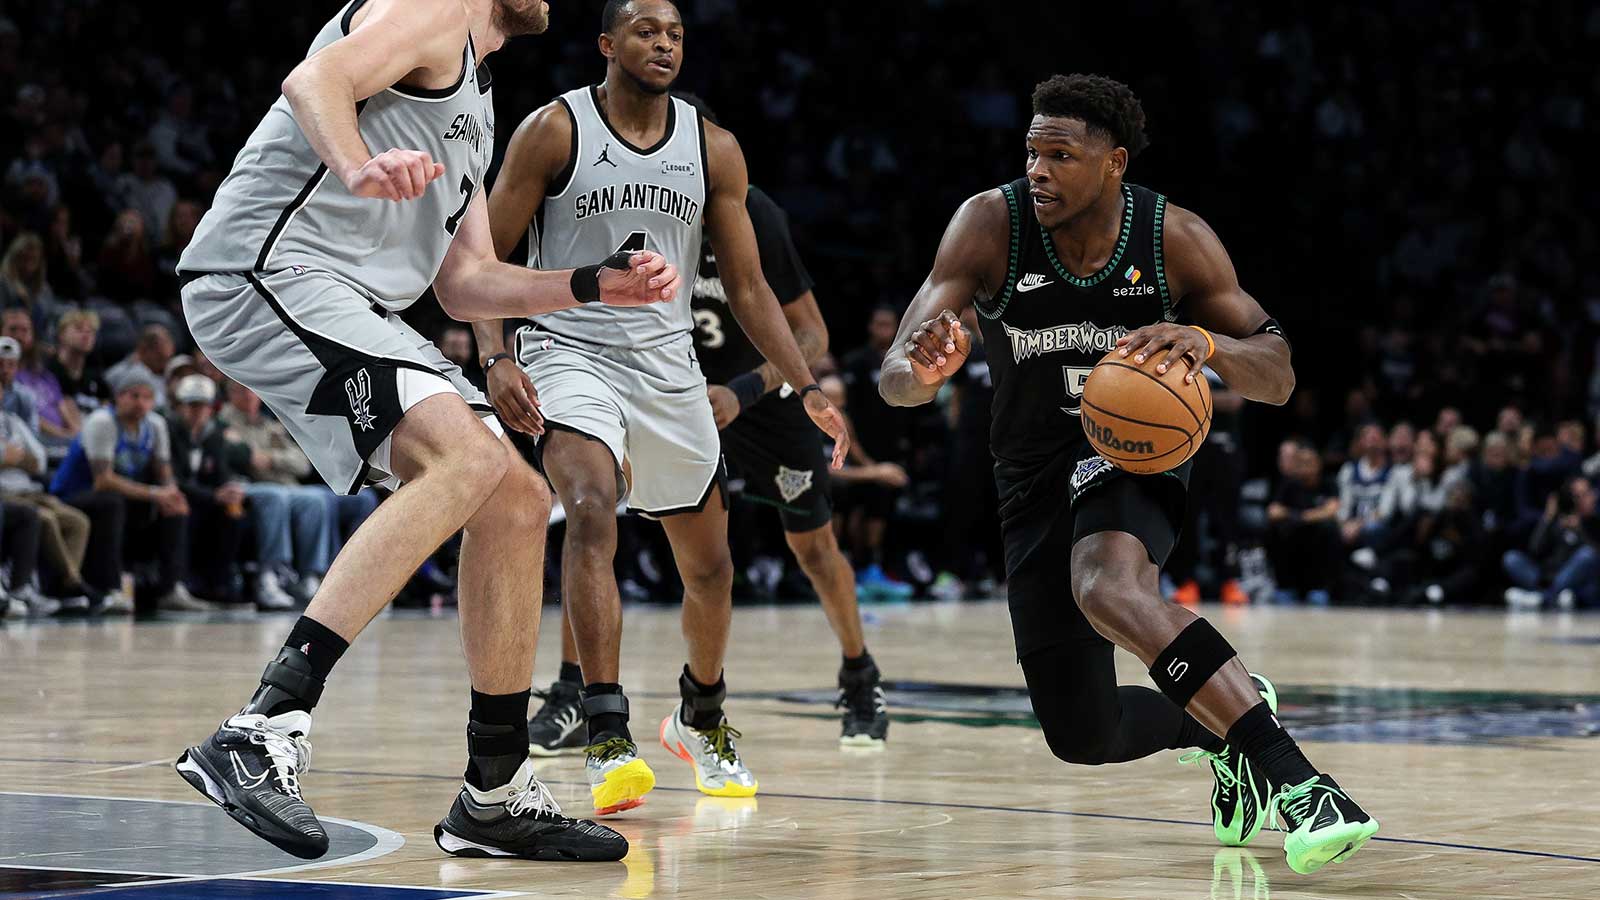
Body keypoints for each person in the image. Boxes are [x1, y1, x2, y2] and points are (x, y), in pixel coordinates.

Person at [171, 0, 677, 863]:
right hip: (267, 269)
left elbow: (469, 284)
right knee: (467, 457)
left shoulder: (477, 95)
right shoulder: (437, 6)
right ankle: (263, 724)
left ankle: (495, 789)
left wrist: (593, 284)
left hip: (345, 297)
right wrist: (358, 165)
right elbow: (315, 80)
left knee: (516, 496)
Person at [878, 74, 1378, 875]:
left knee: (1108, 586)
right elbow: (892, 377)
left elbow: (1278, 372)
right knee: (1083, 736)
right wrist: (924, 369)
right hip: (1030, 474)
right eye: (1032, 152)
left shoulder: (1172, 236)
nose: (1038, 169)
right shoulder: (988, 224)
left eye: (1061, 155)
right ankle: (1222, 724)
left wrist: (1210, 347)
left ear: (1113, 163)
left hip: (1135, 456)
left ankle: (1304, 787)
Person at [474, 0, 848, 817]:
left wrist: (807, 386)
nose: (665, 44)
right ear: (608, 44)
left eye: (676, 33)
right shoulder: (554, 130)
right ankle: (606, 730)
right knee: (589, 510)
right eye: (647, 30)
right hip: (565, 348)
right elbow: (486, 257)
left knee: (711, 568)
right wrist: (495, 354)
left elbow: (749, 289)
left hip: (666, 362)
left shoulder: (713, 148)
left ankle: (701, 714)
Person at [49, 367, 201, 612]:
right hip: (73, 495)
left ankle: (171, 589)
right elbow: (103, 481)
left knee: (175, 507)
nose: (140, 403)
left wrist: (172, 494)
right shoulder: (102, 422)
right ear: (118, 397)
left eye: (146, 397)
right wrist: (155, 494)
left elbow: (164, 474)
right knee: (112, 502)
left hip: (122, 496)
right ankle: (111, 588)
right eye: (133, 395)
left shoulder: (155, 425)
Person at [216, 378, 336, 608]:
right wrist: (266, 459)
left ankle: (310, 575)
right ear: (231, 394)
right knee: (276, 497)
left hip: (280, 485)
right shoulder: (224, 422)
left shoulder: (269, 423)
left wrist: (270, 458)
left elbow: (302, 463)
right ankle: (271, 574)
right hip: (244, 484)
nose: (250, 396)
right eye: (242, 391)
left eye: (252, 391)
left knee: (316, 499)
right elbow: (240, 457)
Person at [837, 306, 914, 593]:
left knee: (885, 508)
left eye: (888, 324)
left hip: (892, 449)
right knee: (856, 505)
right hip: (858, 449)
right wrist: (869, 465)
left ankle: (876, 568)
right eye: (878, 324)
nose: (883, 330)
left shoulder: (904, 360)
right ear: (870, 327)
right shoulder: (856, 362)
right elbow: (847, 417)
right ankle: (854, 567)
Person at [166, 375, 252, 606]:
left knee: (235, 513)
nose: (198, 411)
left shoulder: (213, 434)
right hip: (179, 496)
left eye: (203, 405)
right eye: (192, 405)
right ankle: (181, 584)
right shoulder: (169, 430)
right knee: (182, 509)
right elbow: (172, 478)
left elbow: (220, 473)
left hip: (205, 498)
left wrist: (230, 490)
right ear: (180, 406)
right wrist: (214, 495)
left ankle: (220, 584)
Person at [2, 308, 76, 446]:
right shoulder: (4, 377)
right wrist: (65, 436)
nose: (19, 335)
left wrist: (77, 435)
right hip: (32, 441)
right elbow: (26, 418)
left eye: (25, 330)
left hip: (62, 442)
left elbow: (63, 408)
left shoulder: (45, 375)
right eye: (13, 329)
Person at [48, 308, 111, 419]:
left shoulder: (94, 371)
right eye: (79, 329)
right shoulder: (48, 369)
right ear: (61, 334)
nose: (86, 334)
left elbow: (107, 405)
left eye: (91, 331)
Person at [105, 324, 175, 408]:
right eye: (160, 358)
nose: (166, 364)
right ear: (143, 350)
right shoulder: (118, 375)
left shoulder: (169, 373)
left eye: (168, 358)